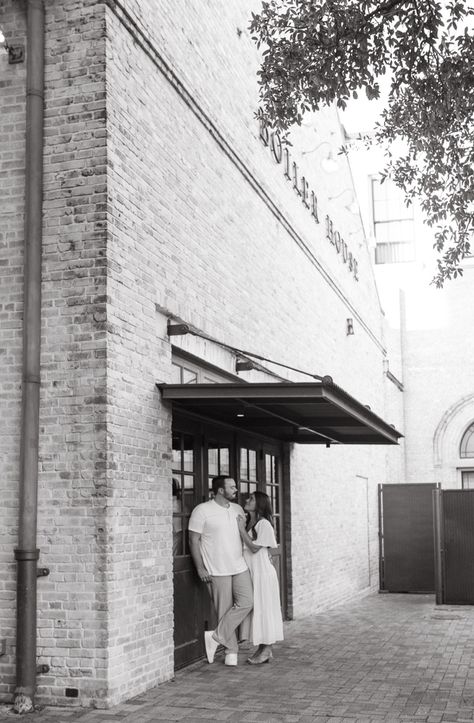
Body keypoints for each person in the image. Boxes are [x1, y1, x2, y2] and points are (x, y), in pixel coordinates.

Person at [188, 475, 253, 666]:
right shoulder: (202, 511)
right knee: (223, 610)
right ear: (220, 490)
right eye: (232, 487)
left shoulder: (238, 509)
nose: (236, 490)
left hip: (239, 565)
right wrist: (200, 567)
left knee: (247, 602)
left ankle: (215, 636)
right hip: (216, 568)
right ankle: (231, 652)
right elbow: (193, 541)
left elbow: (243, 536)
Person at [237, 491, 284, 664]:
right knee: (258, 609)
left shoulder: (264, 524)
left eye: (251, 499)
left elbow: (255, 548)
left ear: (260, 504)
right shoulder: (251, 523)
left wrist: (241, 530)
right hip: (253, 572)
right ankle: (263, 648)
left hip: (263, 574)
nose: (247, 500)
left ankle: (267, 649)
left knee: (265, 609)